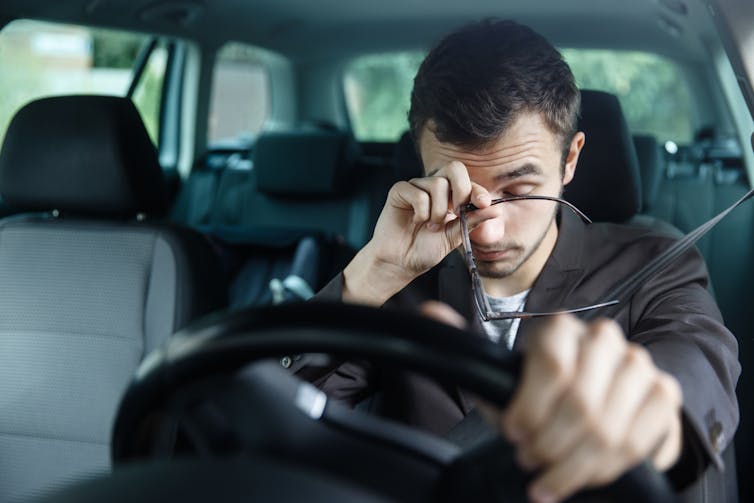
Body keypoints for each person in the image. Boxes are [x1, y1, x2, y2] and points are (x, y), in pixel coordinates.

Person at [297, 19, 740, 503]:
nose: (486, 230)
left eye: (519, 190)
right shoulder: (398, 283)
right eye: (461, 193)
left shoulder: (656, 263)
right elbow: (276, 418)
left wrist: (647, 417)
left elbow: (696, 368)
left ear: (570, 160)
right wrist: (372, 275)